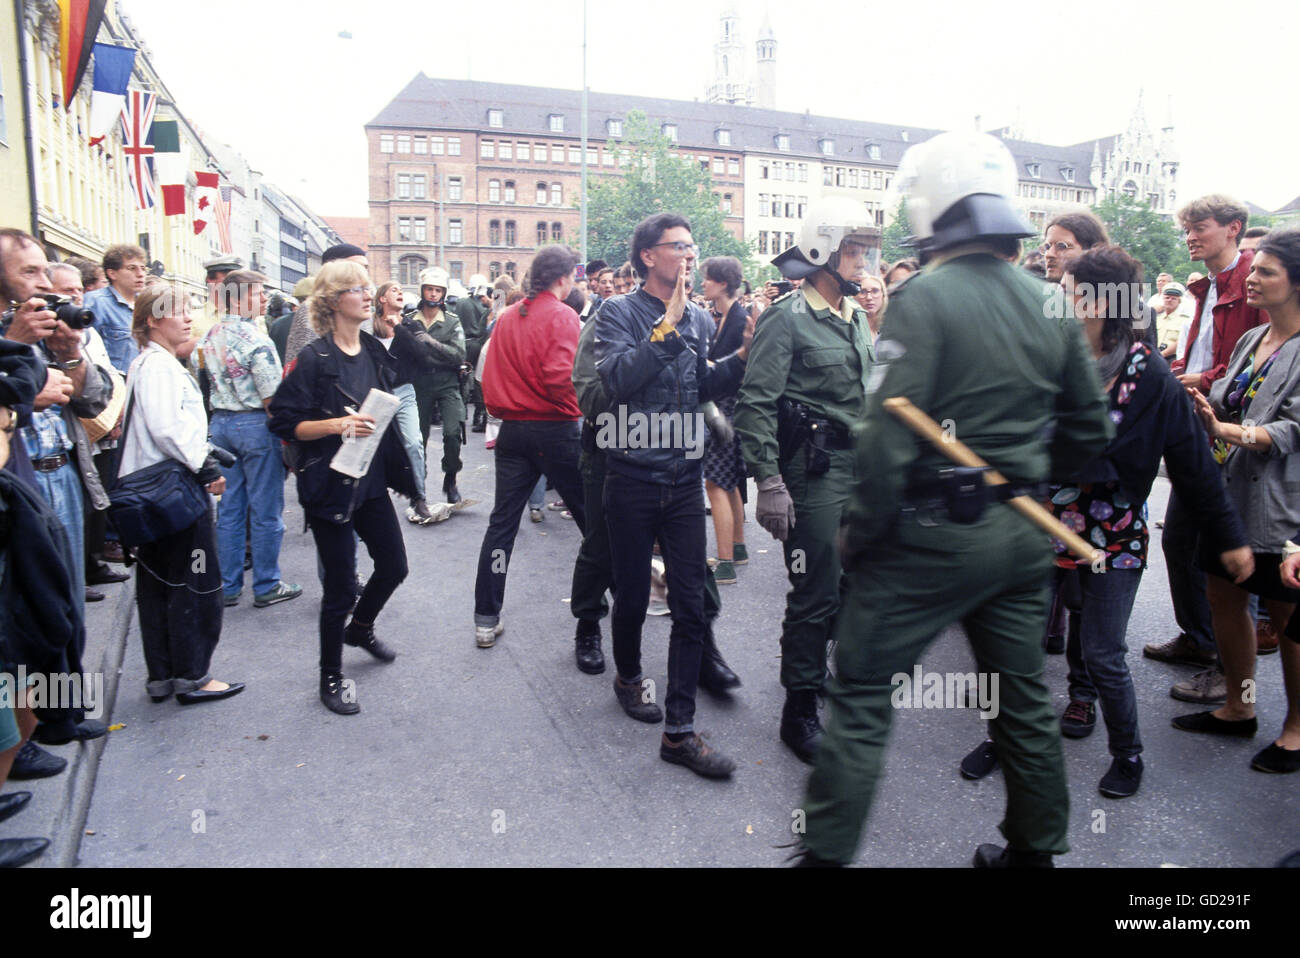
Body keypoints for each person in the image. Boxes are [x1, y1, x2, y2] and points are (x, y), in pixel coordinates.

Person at [794, 132, 1112, 867]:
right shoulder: (1049, 301)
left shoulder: (924, 295)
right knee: (1022, 702)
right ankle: (1034, 854)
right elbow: (1090, 431)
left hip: (927, 537)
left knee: (865, 694)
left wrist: (862, 531)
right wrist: (1026, 473)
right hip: (1019, 534)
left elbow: (883, 435)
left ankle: (824, 856)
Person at [961, 246, 1252, 794]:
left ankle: (1128, 755)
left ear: (1096, 303)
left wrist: (1229, 537)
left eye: (1067, 291)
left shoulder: (1150, 376)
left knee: (1102, 654)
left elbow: (1191, 462)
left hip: (1111, 536)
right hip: (1036, 526)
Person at [595, 213, 750, 778]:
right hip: (632, 476)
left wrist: (739, 360)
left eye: (692, 246)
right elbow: (617, 380)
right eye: (677, 246)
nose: (689, 255)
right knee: (633, 596)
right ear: (646, 257)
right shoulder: (617, 312)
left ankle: (679, 733)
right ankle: (630, 677)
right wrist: (668, 327)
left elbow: (700, 385)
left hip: (685, 480)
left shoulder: (705, 322)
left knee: (690, 604)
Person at [735, 197, 877, 764]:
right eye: (853, 250)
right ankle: (799, 709)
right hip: (812, 472)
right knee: (814, 590)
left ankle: (823, 671)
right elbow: (755, 402)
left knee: (850, 586)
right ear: (821, 252)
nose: (863, 261)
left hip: (857, 469)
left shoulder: (857, 315)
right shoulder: (787, 317)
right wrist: (768, 479)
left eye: (864, 249)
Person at [1176, 228, 1300, 773]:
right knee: (1223, 596)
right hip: (1229, 498)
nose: (1251, 278)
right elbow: (1230, 391)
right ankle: (1238, 705)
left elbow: (1290, 432)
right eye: (1254, 270)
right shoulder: (1256, 339)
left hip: (1280, 510)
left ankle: (1296, 728)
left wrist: (1226, 430)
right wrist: (1203, 399)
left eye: (1266, 271)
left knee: (1287, 619)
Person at [268, 261, 415, 715]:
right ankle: (330, 675)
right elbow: (284, 423)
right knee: (338, 590)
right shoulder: (315, 358)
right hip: (330, 485)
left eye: (369, 287)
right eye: (357, 288)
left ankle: (361, 627)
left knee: (394, 566)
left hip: (368, 479)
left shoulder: (372, 348)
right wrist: (337, 424)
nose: (368, 294)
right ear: (333, 302)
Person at [1148, 195, 1268, 702]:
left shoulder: (1255, 283)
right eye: (1187, 229)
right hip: (1201, 423)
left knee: (1222, 554)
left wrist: (1192, 378)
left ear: (1233, 228)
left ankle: (1230, 670)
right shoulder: (1208, 285)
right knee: (1179, 539)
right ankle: (1199, 640)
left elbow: (1256, 366)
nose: (1190, 237)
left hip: (1234, 435)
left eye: (1200, 227)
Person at [0, 229, 113, 747]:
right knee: (26, 616)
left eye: (46, 271)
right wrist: (19, 346)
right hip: (19, 486)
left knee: (67, 603)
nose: (43, 285)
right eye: (30, 272)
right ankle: (21, 739)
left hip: (65, 472)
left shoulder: (51, 326)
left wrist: (69, 353)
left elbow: (94, 404)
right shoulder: (17, 333)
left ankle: (63, 717)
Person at [122, 284, 245, 705]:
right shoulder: (159, 366)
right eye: (177, 311)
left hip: (153, 494)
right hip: (172, 491)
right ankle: (193, 676)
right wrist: (206, 466)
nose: (188, 317)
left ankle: (163, 676)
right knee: (195, 581)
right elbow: (167, 427)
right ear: (153, 319)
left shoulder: (148, 363)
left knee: (158, 584)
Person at [472, 246, 588, 647]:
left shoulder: (506, 318)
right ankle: (611, 600)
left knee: (501, 525)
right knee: (592, 521)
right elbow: (560, 378)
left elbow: (488, 375)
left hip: (514, 430)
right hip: (554, 429)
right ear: (563, 277)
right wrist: (577, 409)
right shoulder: (563, 315)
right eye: (574, 274)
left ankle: (486, 616)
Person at [192, 270, 300, 609]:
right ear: (238, 298)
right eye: (257, 293)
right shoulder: (256, 339)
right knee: (266, 509)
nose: (264, 298)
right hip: (254, 424)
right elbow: (272, 399)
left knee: (230, 509)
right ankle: (267, 583)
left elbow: (205, 381)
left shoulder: (210, 335)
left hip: (221, 424)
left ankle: (228, 584)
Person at [699, 256, 752, 586]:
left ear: (721, 283)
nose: (702, 283)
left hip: (725, 410)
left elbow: (725, 370)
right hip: (727, 409)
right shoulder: (731, 315)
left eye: (706, 279)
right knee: (728, 480)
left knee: (715, 483)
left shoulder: (736, 318)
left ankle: (725, 562)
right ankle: (738, 547)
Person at [409, 267, 467, 503]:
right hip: (419, 384)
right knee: (417, 439)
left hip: (447, 383)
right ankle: (417, 487)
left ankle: (450, 477)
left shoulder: (452, 321)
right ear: (422, 291)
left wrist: (431, 344)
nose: (433, 294)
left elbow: (459, 354)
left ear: (443, 294)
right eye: (429, 289)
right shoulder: (410, 321)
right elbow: (404, 355)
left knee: (453, 433)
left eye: (438, 290)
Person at [854, 273, 888, 343]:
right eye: (862, 292)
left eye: (875, 291)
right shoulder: (850, 327)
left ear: (883, 295)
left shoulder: (890, 325)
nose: (869, 298)